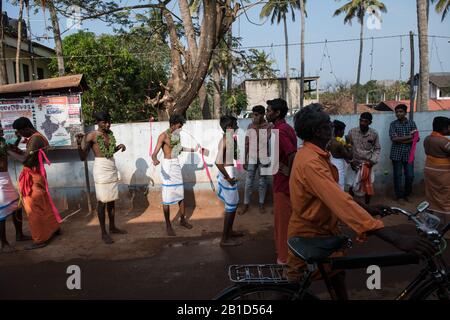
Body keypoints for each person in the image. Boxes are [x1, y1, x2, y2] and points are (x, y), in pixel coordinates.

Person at [287, 104, 435, 299]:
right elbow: (340, 202)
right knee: (292, 287)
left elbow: (335, 196)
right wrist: (396, 238)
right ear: (318, 131)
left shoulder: (315, 155)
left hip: (323, 229)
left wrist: (368, 208)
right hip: (311, 233)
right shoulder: (311, 162)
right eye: (328, 124)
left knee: (337, 274)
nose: (332, 127)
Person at [8, 117, 60, 250]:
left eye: (19, 132)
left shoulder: (35, 139)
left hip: (32, 177)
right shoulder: (37, 137)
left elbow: (25, 159)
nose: (19, 135)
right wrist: (16, 148)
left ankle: (40, 239)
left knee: (33, 210)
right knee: (44, 204)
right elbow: (29, 155)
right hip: (37, 175)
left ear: (26, 128)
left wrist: (6, 150)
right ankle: (53, 229)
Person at [76, 111, 127, 244]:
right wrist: (78, 144)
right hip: (101, 169)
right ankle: (104, 233)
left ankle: (112, 227)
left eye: (109, 122)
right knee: (102, 201)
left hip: (111, 166)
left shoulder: (109, 134)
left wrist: (118, 147)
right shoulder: (91, 135)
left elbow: (109, 151)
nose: (107, 124)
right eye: (104, 122)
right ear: (97, 122)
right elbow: (83, 157)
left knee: (111, 200)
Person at [152, 114, 198, 236]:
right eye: (179, 126)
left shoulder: (176, 135)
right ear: (172, 124)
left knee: (180, 194)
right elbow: (154, 153)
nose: (180, 129)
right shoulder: (163, 136)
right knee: (167, 198)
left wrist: (192, 150)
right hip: (167, 167)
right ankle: (168, 225)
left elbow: (179, 148)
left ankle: (182, 220)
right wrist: (155, 159)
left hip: (176, 165)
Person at [265, 98, 297, 265]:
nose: (266, 113)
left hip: (283, 185)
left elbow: (292, 154)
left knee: (283, 223)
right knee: (285, 221)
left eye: (269, 110)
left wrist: (289, 172)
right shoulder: (282, 128)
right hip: (282, 182)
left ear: (277, 113)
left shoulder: (281, 130)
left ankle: (284, 260)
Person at [0, 125, 31, 252]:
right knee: (1, 213)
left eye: (1, 127)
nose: (1, 130)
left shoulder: (1, 142)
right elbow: (9, 151)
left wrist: (17, 141)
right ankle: (4, 244)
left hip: (5, 177)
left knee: (16, 206)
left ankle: (19, 235)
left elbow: (9, 147)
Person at [215, 115, 243, 247]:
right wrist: (228, 178)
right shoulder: (226, 139)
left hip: (229, 173)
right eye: (235, 123)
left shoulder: (229, 139)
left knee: (233, 204)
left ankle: (230, 232)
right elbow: (218, 162)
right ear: (229, 127)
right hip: (228, 174)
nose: (237, 125)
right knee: (231, 207)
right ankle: (224, 239)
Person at [239, 105, 272, 215]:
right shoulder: (250, 126)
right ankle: (246, 204)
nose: (254, 117)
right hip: (252, 157)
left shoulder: (268, 126)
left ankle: (261, 204)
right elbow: (246, 143)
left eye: (256, 115)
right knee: (249, 181)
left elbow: (262, 141)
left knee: (263, 181)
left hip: (264, 157)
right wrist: (244, 159)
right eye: (253, 114)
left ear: (262, 115)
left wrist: (257, 127)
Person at [346, 112, 381, 204]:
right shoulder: (352, 132)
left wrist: (372, 161)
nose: (362, 123)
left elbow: (377, 149)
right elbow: (347, 148)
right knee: (351, 185)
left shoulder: (374, 133)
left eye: (365, 121)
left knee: (368, 186)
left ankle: (367, 206)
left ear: (370, 122)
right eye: (361, 120)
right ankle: (351, 205)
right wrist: (351, 161)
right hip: (354, 163)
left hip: (367, 164)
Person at [423, 116, 450, 229]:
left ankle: (430, 222)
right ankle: (447, 225)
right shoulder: (444, 141)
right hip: (443, 173)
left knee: (432, 196)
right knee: (446, 198)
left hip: (429, 170)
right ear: (445, 128)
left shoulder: (427, 139)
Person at [389, 104, 419, 202]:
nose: (398, 113)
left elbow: (417, 138)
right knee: (398, 176)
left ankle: (407, 194)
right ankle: (400, 196)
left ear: (405, 112)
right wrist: (410, 137)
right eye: (397, 112)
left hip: (409, 154)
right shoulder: (393, 124)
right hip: (396, 154)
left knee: (410, 175)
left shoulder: (412, 123)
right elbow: (394, 139)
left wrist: (401, 139)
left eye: (401, 111)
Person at [328, 120, 352, 190]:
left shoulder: (329, 141)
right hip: (339, 168)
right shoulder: (338, 144)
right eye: (343, 130)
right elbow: (349, 156)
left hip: (331, 166)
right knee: (340, 187)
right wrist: (349, 144)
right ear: (338, 131)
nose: (343, 132)